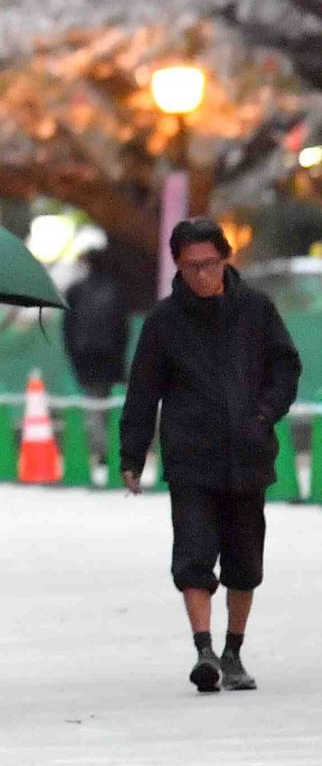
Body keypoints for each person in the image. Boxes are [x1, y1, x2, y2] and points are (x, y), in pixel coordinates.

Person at [119, 216, 301, 695]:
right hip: (190, 457)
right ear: (177, 266)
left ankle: (233, 651)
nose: (201, 275)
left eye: (209, 264)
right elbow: (143, 391)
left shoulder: (257, 310)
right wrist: (131, 455)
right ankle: (203, 650)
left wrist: (264, 414)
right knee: (194, 554)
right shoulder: (163, 321)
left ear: (225, 259)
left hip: (249, 453)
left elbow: (285, 366)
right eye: (190, 267)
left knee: (245, 561)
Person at [62, 246, 131, 399]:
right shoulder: (115, 290)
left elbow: (68, 327)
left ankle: (96, 421)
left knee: (93, 393)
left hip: (83, 352)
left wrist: (72, 352)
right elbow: (123, 328)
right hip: (110, 353)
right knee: (110, 395)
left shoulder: (75, 291)